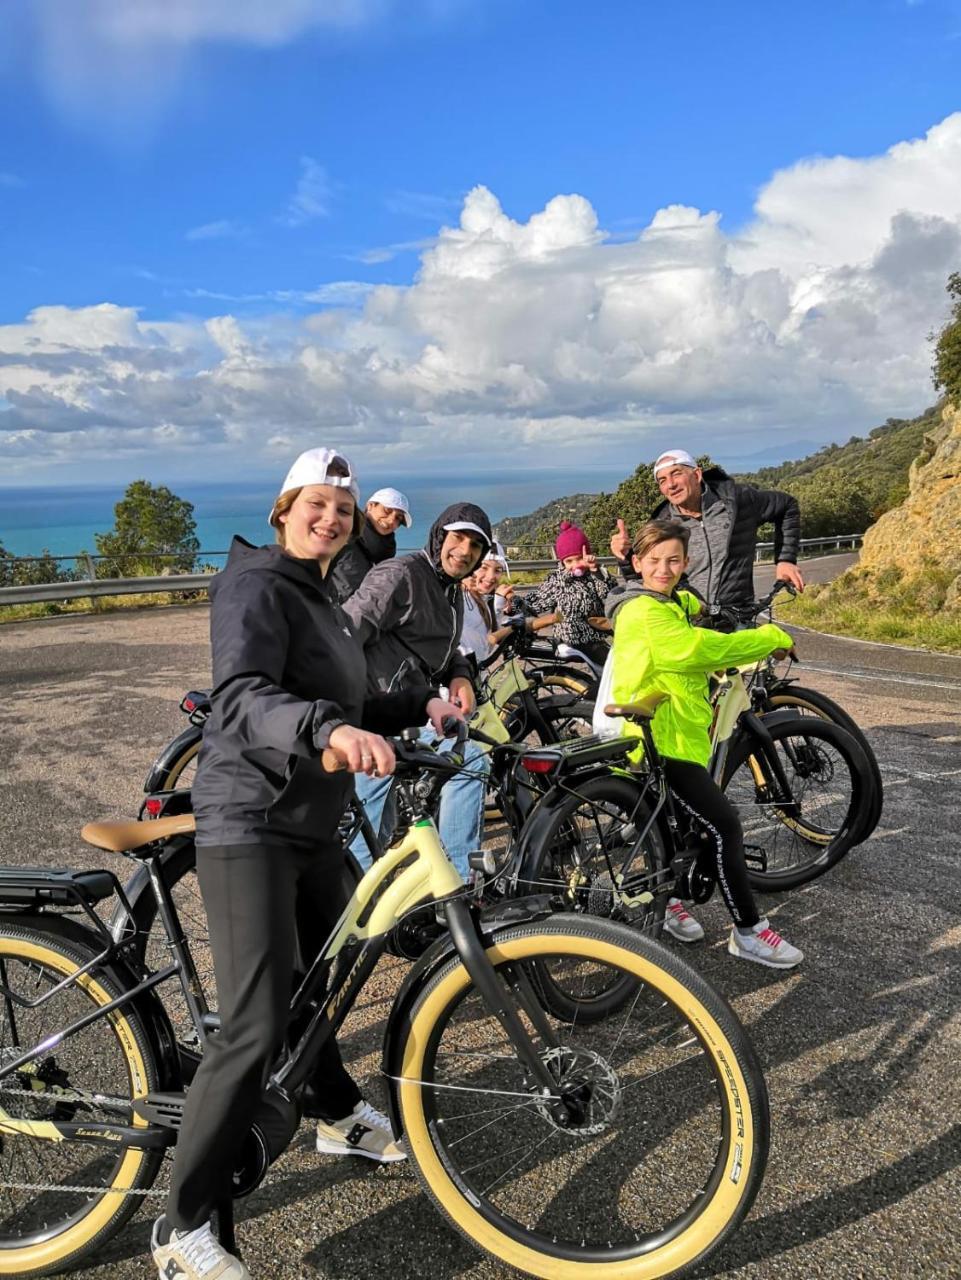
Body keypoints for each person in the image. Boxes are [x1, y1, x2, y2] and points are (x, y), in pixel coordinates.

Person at [151, 449, 461, 1280]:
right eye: (315, 503)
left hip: (310, 824)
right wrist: (327, 733)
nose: (329, 517)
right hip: (248, 819)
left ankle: (335, 1113)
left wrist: (414, 705)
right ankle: (181, 1231)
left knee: (325, 981)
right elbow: (245, 695)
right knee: (253, 1024)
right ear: (285, 508)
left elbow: (349, 699)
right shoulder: (254, 585)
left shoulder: (323, 594)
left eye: (340, 507)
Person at [605, 518, 804, 968]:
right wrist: (770, 637)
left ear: (685, 562)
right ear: (636, 563)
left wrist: (712, 610)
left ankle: (668, 900)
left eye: (674, 560)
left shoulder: (669, 599)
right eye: (654, 561)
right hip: (659, 740)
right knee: (724, 825)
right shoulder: (643, 611)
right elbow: (696, 649)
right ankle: (749, 932)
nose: (664, 568)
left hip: (676, 733)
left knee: (676, 826)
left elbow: (691, 607)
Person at [342, 502, 493, 880]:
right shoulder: (402, 573)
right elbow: (346, 631)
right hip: (374, 713)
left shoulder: (452, 591)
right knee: (469, 762)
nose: (465, 550)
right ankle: (454, 887)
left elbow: (443, 651)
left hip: (407, 711)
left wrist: (460, 675)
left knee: (382, 831)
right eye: (458, 537)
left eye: (476, 546)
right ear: (440, 535)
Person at [609, 449, 805, 612]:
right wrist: (626, 558)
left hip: (737, 617)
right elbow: (647, 585)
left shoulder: (736, 501)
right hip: (688, 623)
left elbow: (787, 506)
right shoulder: (661, 525)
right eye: (662, 480)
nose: (671, 484)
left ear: (696, 475)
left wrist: (785, 560)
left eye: (676, 473)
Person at [520, 520, 612, 664]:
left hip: (596, 637)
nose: (575, 565)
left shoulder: (596, 574)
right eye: (569, 561)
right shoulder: (558, 580)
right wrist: (514, 607)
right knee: (610, 670)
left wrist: (595, 571)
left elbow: (609, 598)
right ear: (562, 562)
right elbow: (537, 602)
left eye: (580, 559)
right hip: (570, 640)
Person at [327, 485, 412, 603]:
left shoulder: (377, 550)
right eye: (387, 510)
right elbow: (350, 598)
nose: (392, 520)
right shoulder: (347, 541)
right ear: (370, 506)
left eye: (399, 518)